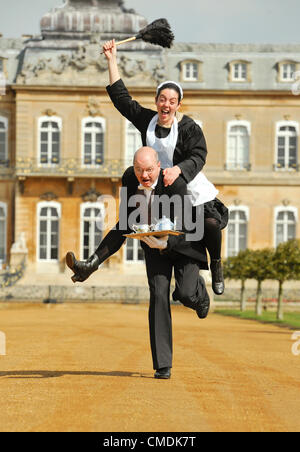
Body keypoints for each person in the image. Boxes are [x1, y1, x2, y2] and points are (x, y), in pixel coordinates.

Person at [66, 147, 210, 379]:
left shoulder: (175, 183)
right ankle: (163, 364)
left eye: (149, 170)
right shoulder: (129, 180)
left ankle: (197, 292)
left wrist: (166, 244)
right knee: (158, 294)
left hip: (184, 245)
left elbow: (190, 228)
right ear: (133, 168)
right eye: (139, 170)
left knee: (184, 293)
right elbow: (125, 224)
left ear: (159, 167)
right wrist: (94, 261)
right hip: (153, 245)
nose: (144, 176)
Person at [102, 39, 228, 295]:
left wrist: (179, 169)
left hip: (188, 186)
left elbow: (199, 154)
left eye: (172, 101)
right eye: (162, 99)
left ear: (178, 105)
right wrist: (112, 60)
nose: (166, 105)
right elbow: (122, 99)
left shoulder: (189, 127)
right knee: (142, 227)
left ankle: (215, 264)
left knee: (212, 225)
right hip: (160, 191)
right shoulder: (147, 120)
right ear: (156, 101)